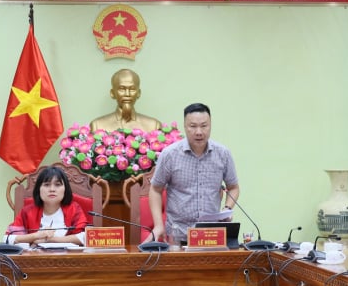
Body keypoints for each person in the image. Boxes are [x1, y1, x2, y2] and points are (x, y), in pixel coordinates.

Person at [149, 103, 238, 244]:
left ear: (210, 125)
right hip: (178, 235)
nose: (199, 132)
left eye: (204, 126)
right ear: (185, 126)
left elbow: (233, 187)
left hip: (211, 235)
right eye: (193, 126)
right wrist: (158, 225)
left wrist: (226, 209)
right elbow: (155, 189)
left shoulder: (223, 154)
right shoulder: (170, 154)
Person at [3, 165, 90, 245]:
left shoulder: (74, 209)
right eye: (47, 185)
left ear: (65, 189)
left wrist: (50, 240)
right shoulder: (27, 211)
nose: (52, 189)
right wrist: (37, 235)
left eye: (57, 185)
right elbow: (7, 239)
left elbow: (86, 237)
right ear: (39, 189)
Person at [89, 68, 163, 132]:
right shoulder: (97, 126)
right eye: (122, 89)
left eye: (132, 89)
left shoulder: (154, 126)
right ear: (112, 93)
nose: (127, 94)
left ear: (138, 93)